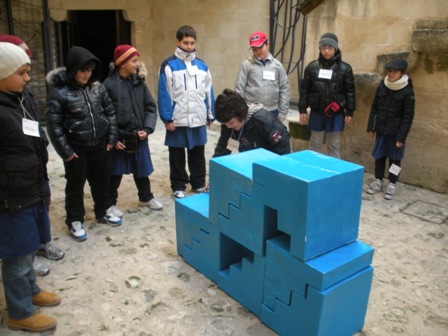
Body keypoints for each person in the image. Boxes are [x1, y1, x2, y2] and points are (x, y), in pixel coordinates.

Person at [0, 42, 61, 333]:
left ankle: (32, 291)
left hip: (31, 186)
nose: (27, 78)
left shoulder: (18, 98)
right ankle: (20, 313)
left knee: (29, 247)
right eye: (21, 72)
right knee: (16, 255)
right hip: (10, 196)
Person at [46, 46, 121, 242]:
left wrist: (111, 139)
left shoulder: (97, 87)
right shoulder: (60, 93)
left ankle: (102, 210)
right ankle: (74, 219)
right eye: (83, 70)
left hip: (100, 145)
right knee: (75, 186)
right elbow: (54, 126)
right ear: (73, 68)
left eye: (90, 70)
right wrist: (66, 152)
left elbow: (110, 113)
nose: (87, 74)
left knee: (101, 182)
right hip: (76, 149)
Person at [103, 44, 163, 214]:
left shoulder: (139, 83)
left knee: (141, 170)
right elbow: (105, 115)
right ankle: (110, 204)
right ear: (122, 63)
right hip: (120, 138)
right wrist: (113, 138)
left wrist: (148, 128)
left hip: (139, 135)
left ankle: (145, 197)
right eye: (134, 61)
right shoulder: (108, 85)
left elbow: (150, 107)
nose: (138, 64)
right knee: (115, 173)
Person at [158, 25, 215, 199]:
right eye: (185, 42)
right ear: (178, 41)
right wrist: (167, 118)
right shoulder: (169, 65)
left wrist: (210, 114)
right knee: (176, 154)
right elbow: (164, 92)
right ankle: (178, 184)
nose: (189, 46)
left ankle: (198, 183)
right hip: (178, 117)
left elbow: (209, 91)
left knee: (197, 152)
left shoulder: (202, 66)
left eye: (192, 43)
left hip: (197, 116)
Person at [298, 32, 355, 158]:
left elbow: (349, 91)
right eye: (323, 48)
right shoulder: (312, 67)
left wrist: (350, 111)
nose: (326, 51)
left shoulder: (345, 69)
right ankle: (313, 171)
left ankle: (334, 173)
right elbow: (305, 90)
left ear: (335, 48)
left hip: (335, 112)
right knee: (314, 143)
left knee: (334, 144)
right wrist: (302, 109)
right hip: (317, 111)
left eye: (330, 48)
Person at [366, 59, 415, 200]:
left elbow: (408, 117)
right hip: (382, 129)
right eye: (389, 71)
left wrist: (401, 137)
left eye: (395, 72)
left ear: (402, 73)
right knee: (379, 156)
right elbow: (374, 107)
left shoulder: (407, 92)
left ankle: (392, 183)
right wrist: (371, 126)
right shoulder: (382, 86)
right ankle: (378, 180)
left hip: (395, 133)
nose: (391, 74)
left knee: (395, 159)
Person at [214, 89, 291, 156]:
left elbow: (283, 145)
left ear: (240, 114)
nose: (228, 127)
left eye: (231, 123)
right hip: (249, 160)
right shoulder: (227, 122)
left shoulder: (263, 121)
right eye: (225, 124)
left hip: (269, 161)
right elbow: (222, 148)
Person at [235, 31, 290, 121]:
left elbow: (284, 88)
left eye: (260, 47)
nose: (258, 52)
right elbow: (239, 89)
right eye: (254, 49)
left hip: (272, 111)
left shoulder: (277, 66)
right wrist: (240, 111)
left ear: (267, 44)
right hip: (252, 111)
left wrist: (283, 112)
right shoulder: (246, 65)